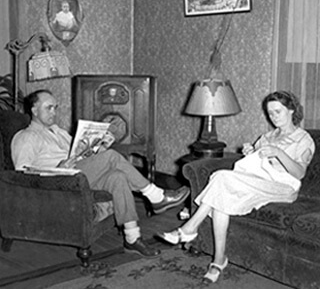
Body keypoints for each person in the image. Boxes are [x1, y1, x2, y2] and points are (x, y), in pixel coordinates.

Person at [157, 90, 315, 283]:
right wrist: (250, 152)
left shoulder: (303, 139)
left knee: (221, 177)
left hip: (284, 186)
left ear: (291, 110)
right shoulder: (267, 136)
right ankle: (218, 260)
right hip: (259, 181)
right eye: (270, 113)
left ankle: (190, 227)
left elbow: (299, 173)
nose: (273, 117)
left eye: (278, 111)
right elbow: (253, 165)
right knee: (222, 195)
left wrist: (278, 153)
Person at [11, 89, 190, 259]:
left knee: (117, 177)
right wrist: (60, 167)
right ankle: (156, 196)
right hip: (59, 181)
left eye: (55, 107)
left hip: (79, 174)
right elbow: (22, 173)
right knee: (112, 157)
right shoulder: (26, 137)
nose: (54, 112)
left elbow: (81, 155)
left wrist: (100, 146)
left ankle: (132, 239)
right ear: (34, 110)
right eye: (48, 107)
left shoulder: (60, 132)